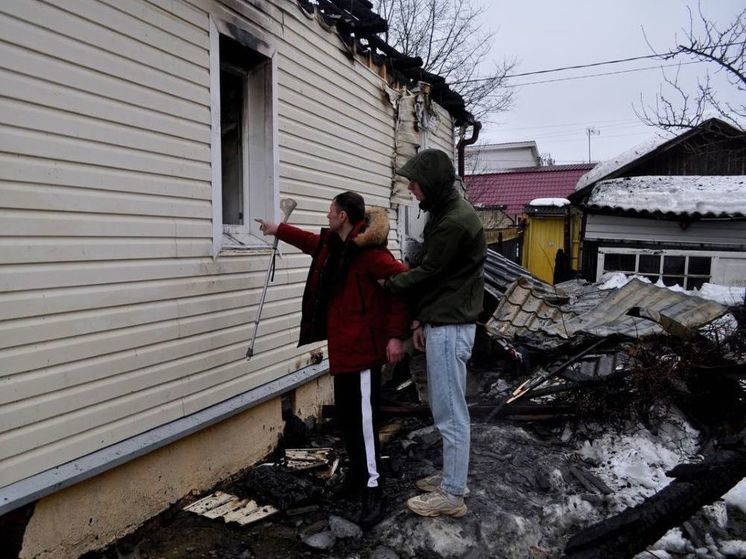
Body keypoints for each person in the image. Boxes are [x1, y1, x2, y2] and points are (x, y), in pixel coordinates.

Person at [256, 191, 409, 529]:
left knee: (367, 426)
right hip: (341, 353)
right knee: (348, 421)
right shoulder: (333, 248)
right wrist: (277, 228)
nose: (327, 215)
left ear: (342, 216)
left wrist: (397, 335)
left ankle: (373, 489)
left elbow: (402, 287)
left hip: (365, 353)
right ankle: (356, 477)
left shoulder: (370, 255)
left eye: (330, 210)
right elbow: (310, 241)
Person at [382, 149, 486, 518]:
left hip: (451, 325)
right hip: (444, 319)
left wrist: (388, 284)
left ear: (432, 183)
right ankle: (452, 478)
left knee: (450, 412)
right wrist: (421, 320)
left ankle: (452, 496)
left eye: (414, 182)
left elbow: (428, 272)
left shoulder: (454, 222)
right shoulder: (445, 212)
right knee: (447, 408)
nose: (410, 188)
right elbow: (442, 277)